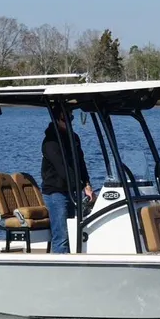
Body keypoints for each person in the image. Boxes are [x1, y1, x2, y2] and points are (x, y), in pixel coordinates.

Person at [41, 105, 95, 253]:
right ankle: (60, 266)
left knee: (72, 233)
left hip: (71, 191)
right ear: (57, 119)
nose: (70, 121)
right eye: (66, 117)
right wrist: (77, 185)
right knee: (62, 235)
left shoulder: (74, 138)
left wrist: (87, 185)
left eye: (71, 117)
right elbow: (63, 168)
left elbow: (80, 163)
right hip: (56, 192)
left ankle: (73, 259)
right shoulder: (50, 142)